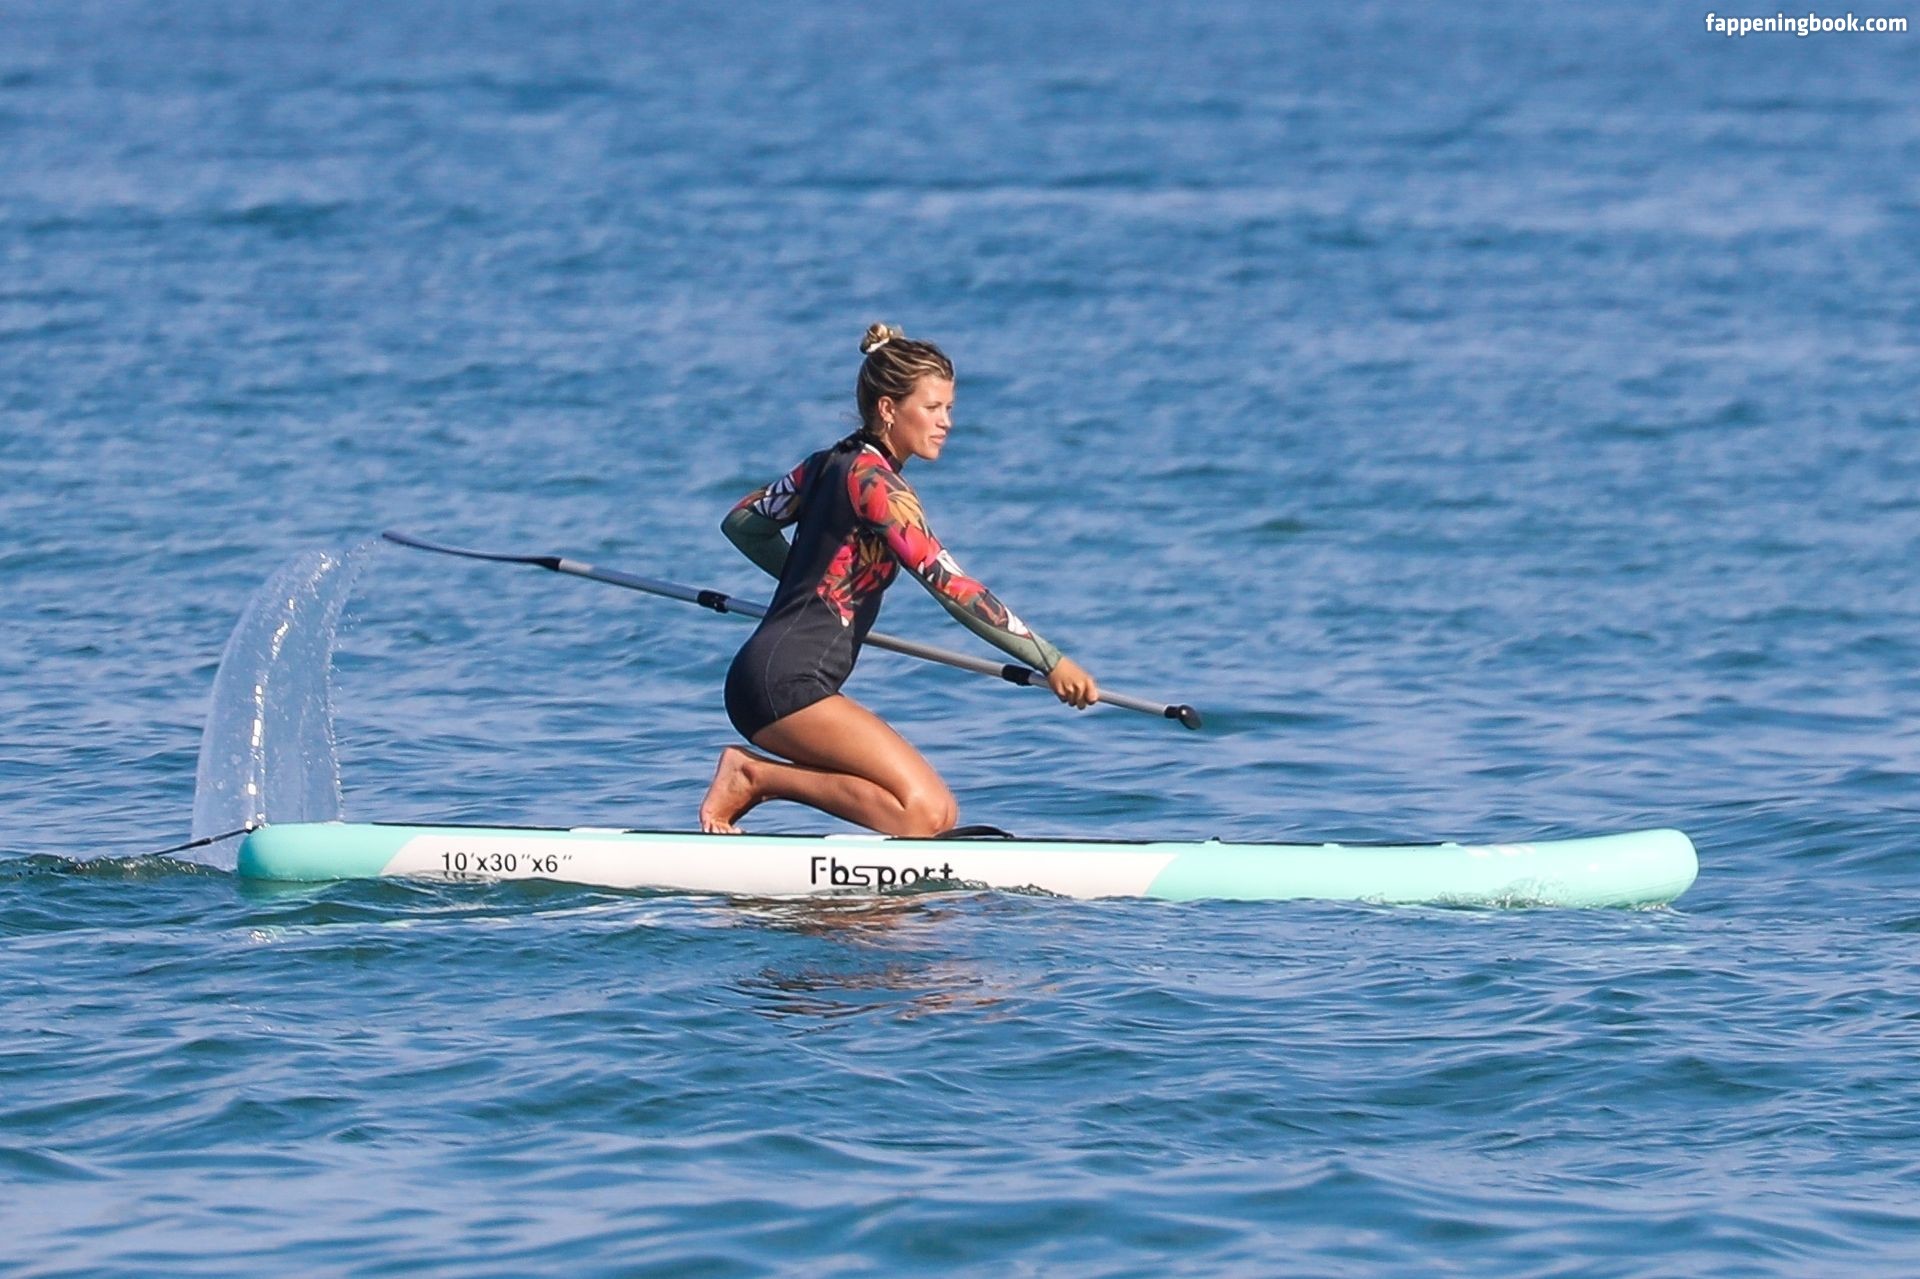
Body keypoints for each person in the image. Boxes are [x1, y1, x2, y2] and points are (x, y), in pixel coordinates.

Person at [699, 324, 1099, 836]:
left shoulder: (825, 464)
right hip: (784, 682)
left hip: (769, 675)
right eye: (932, 408)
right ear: (889, 409)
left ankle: (765, 791)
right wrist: (1050, 660)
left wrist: (811, 585)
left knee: (937, 815)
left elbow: (744, 523)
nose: (946, 422)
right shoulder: (880, 488)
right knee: (924, 813)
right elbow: (953, 587)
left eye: (949, 408)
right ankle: (754, 776)